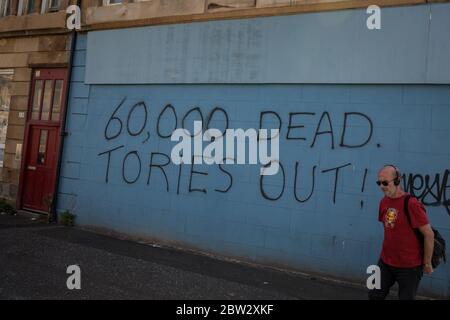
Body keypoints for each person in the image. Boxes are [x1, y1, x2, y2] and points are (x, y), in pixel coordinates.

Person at [368, 164, 434, 300]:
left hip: (409, 266)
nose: (381, 186)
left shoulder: (411, 204)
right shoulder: (383, 202)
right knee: (374, 294)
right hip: (385, 261)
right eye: (379, 183)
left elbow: (429, 234)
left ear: (397, 180)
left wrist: (427, 263)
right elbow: (391, 228)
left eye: (385, 182)